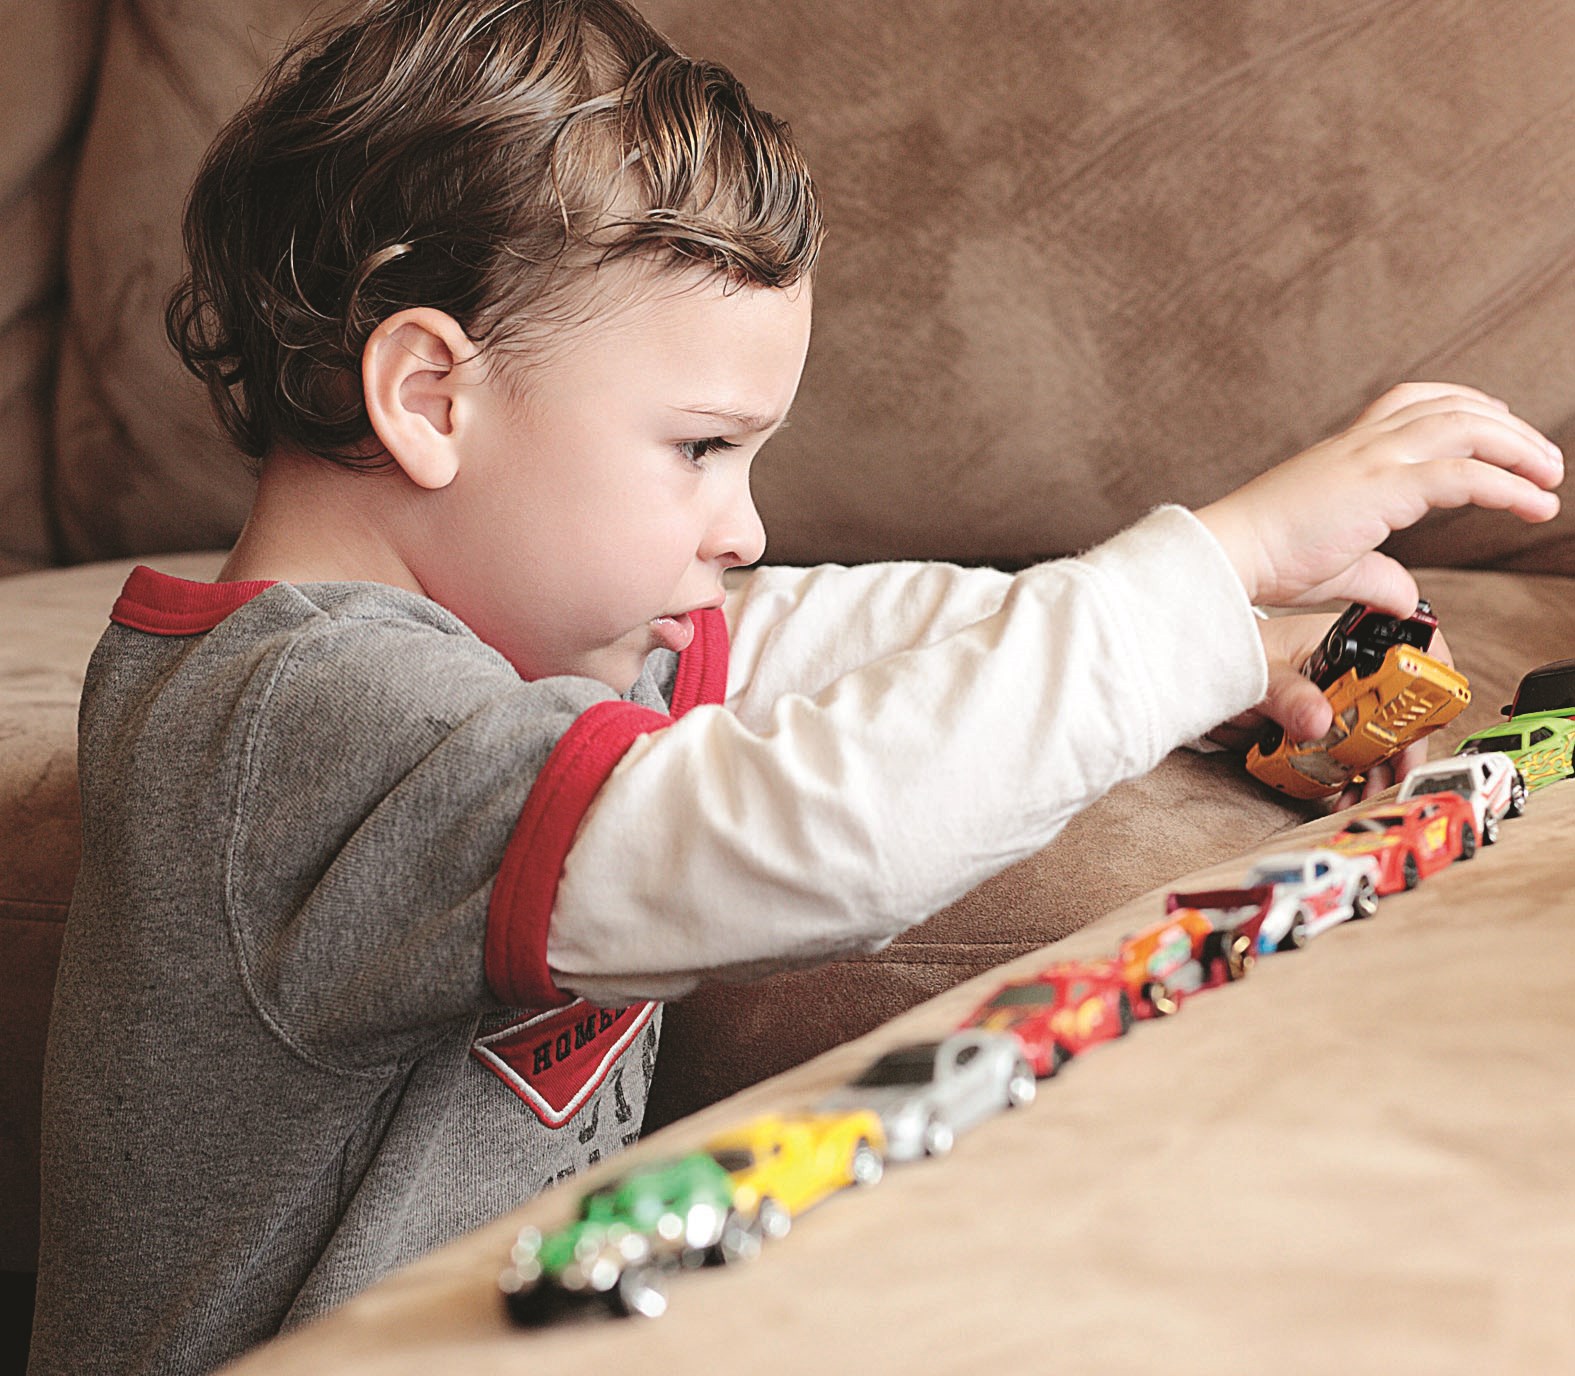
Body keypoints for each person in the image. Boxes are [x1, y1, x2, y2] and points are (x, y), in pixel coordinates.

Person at [29, 0, 1564, 1372]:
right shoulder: (300, 722)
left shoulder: (522, 644)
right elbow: (806, 837)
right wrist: (1218, 560)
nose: (744, 526)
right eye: (700, 448)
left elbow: (799, 635)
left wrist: (1218, 649)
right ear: (430, 396)